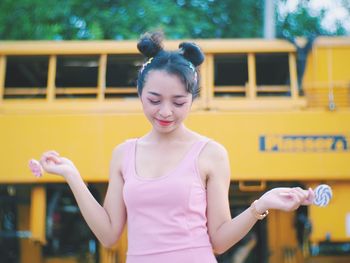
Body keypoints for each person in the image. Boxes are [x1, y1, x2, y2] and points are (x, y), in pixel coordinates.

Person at [35, 32, 314, 263]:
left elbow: (218, 241)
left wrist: (260, 205)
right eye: (154, 100)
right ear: (140, 94)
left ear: (192, 99)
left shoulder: (211, 153)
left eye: (178, 102)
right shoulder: (123, 154)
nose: (165, 112)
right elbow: (109, 235)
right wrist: (72, 175)